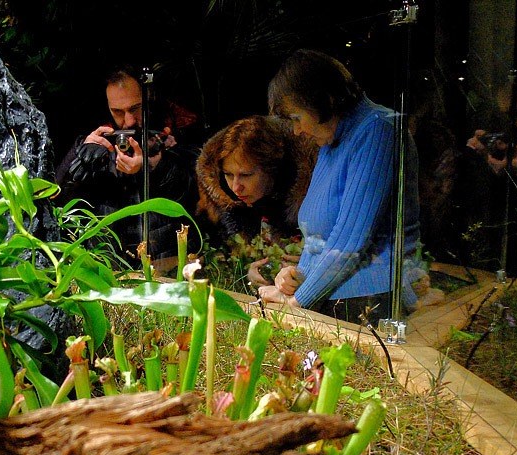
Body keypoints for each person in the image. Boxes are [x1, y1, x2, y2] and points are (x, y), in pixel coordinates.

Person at [259, 49, 423, 323]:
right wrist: (296, 275)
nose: (297, 131)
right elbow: (322, 236)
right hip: (332, 296)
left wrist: (296, 301)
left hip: (365, 303)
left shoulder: (378, 130)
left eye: (297, 118)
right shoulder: (332, 139)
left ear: (326, 100)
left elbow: (351, 240)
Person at [54, 65, 200, 266]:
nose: (129, 121)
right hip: (110, 267)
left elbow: (193, 189)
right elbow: (56, 198)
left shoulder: (176, 130)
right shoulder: (99, 139)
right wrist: (80, 155)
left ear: (150, 99)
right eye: (118, 111)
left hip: (166, 264)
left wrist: (151, 168)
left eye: (135, 108)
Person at [195, 115, 316, 246]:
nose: (236, 187)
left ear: (271, 170)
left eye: (246, 175)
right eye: (228, 175)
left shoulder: (309, 207)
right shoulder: (223, 209)